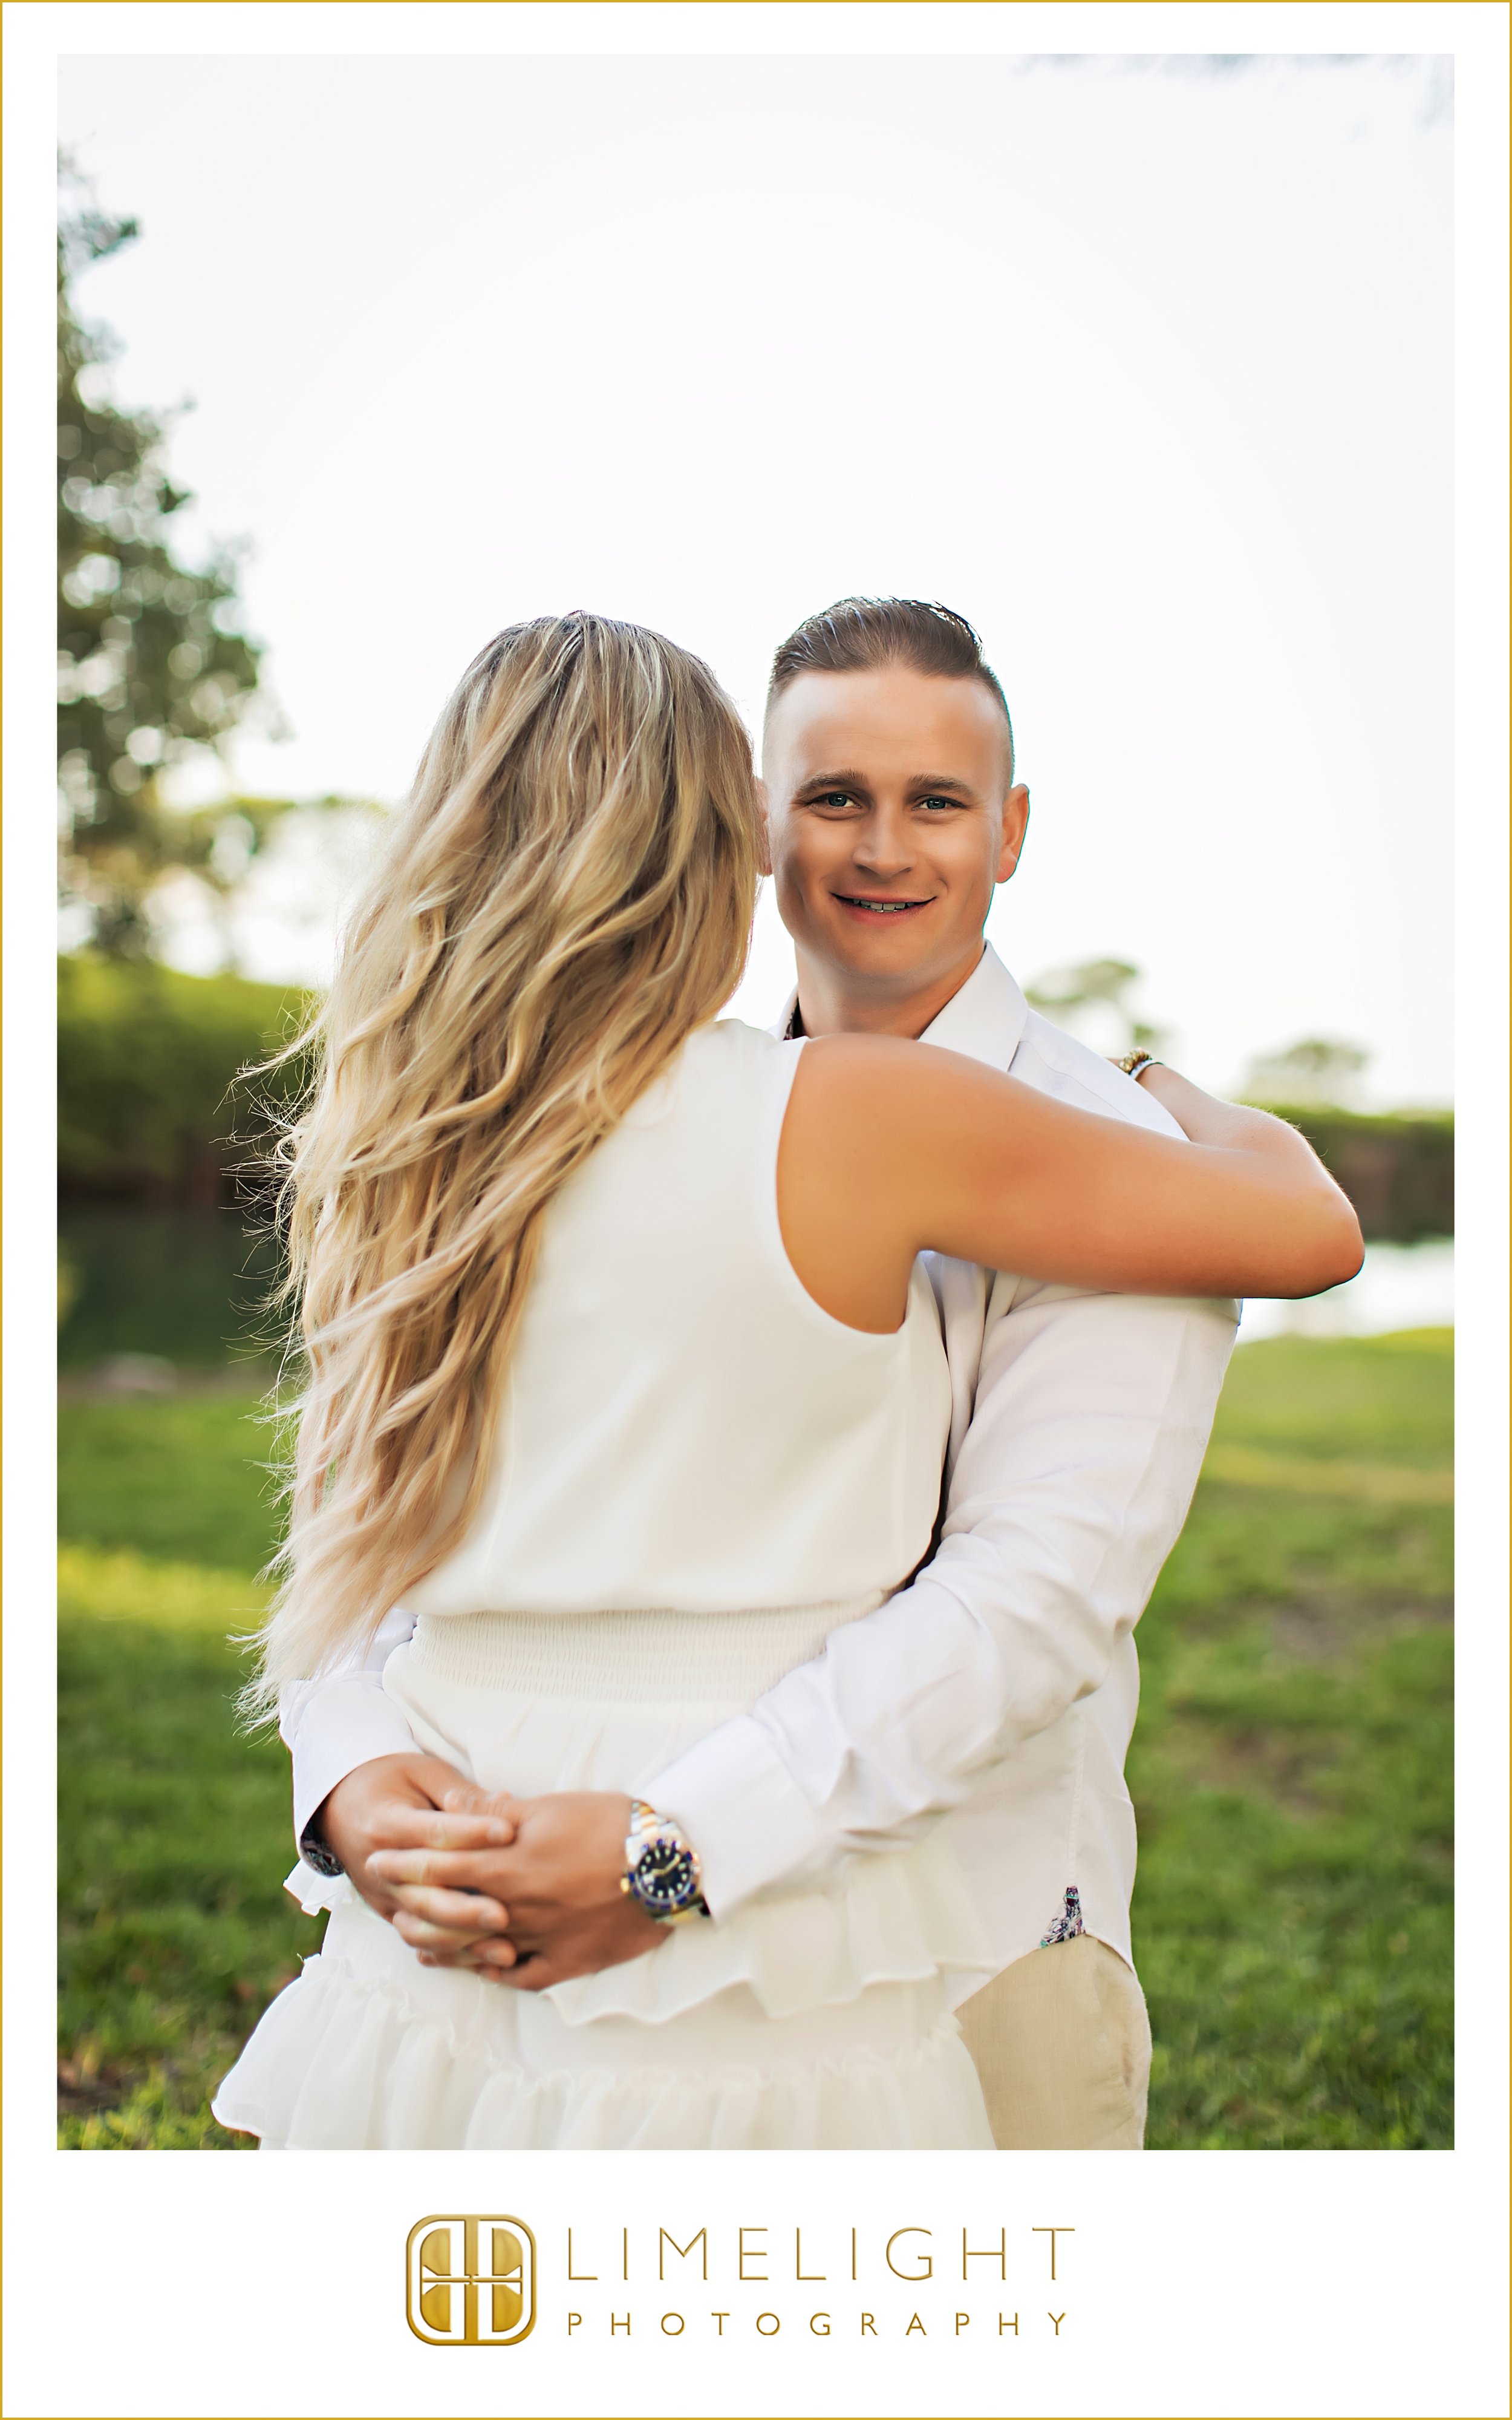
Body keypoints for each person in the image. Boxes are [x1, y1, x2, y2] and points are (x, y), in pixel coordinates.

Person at [213, 609, 1360, 2151]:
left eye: (936, 800)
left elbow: (1032, 1600)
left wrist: (669, 1855)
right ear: (745, 828)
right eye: (831, 796)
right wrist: (348, 1765)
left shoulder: (414, 1126)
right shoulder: (499, 1136)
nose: (882, 846)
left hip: (974, 1931)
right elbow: (360, 1522)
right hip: (492, 1933)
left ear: (1007, 829)